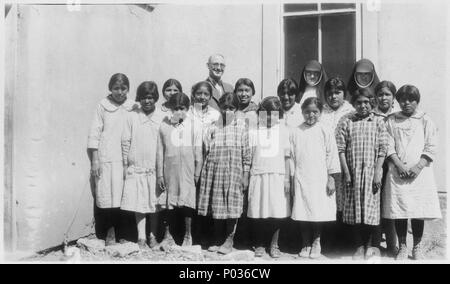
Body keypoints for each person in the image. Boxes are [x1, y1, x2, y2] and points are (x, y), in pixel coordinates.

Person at [382, 85, 441, 260]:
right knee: (400, 210)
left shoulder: (425, 120)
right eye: (403, 99)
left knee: (417, 211)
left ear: (417, 101)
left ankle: (417, 246)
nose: (407, 103)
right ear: (398, 101)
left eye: (411, 99)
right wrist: (399, 165)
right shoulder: (391, 121)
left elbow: (431, 146)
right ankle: (402, 246)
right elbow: (388, 145)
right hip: (397, 172)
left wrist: (418, 167)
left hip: (420, 174)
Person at [336, 88, 388, 260]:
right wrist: (347, 172)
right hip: (353, 174)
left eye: (366, 102)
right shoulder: (347, 121)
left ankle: (370, 246)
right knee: (355, 210)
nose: (363, 105)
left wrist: (377, 172)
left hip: (372, 173)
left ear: (372, 102)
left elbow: (382, 149)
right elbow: (341, 149)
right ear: (354, 104)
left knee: (371, 211)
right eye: (359, 102)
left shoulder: (378, 122)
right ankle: (358, 246)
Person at [197, 92, 251, 255]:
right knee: (217, 205)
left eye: (231, 108)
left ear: (236, 109)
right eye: (224, 107)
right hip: (215, 171)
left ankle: (229, 239)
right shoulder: (213, 126)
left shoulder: (241, 126)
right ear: (220, 107)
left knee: (232, 205)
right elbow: (206, 150)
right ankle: (218, 238)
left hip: (233, 172)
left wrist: (245, 174)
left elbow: (246, 154)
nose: (227, 111)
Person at [88, 73, 137, 245]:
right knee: (109, 195)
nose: (119, 92)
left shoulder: (133, 106)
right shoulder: (103, 105)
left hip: (126, 157)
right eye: (116, 88)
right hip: (107, 157)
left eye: (123, 88)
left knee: (125, 196)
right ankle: (110, 232)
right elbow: (94, 132)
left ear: (128, 89)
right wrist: (95, 159)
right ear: (110, 88)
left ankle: (124, 232)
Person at [290, 97, 340, 259]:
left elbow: (332, 155)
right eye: (307, 112)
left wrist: (331, 178)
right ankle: (305, 242)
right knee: (302, 209)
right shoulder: (296, 131)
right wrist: (291, 178)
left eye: (314, 112)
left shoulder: (325, 130)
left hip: (320, 177)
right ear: (302, 112)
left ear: (320, 113)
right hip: (301, 176)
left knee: (318, 211)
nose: (311, 115)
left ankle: (317, 241)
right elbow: (291, 157)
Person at [121, 81, 164, 249]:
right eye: (144, 98)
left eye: (151, 98)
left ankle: (152, 235)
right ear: (139, 98)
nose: (147, 101)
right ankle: (141, 237)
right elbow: (126, 141)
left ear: (155, 99)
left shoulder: (161, 116)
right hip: (137, 166)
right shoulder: (132, 116)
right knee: (139, 203)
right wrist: (126, 164)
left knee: (154, 203)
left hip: (155, 167)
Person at [247, 96, 292, 258]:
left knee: (276, 211)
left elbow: (287, 156)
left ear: (278, 114)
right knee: (259, 210)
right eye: (266, 114)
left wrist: (287, 179)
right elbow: (250, 155)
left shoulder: (283, 130)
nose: (270, 117)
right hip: (258, 175)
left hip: (277, 176)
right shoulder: (254, 130)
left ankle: (274, 244)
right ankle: (259, 243)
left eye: (274, 114)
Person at [157, 93, 203, 248]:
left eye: (182, 108)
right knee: (170, 202)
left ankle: (188, 235)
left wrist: (197, 171)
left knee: (187, 202)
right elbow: (160, 151)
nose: (179, 112)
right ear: (170, 109)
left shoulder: (194, 125)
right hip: (170, 170)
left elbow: (198, 151)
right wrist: (160, 174)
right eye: (175, 109)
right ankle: (168, 234)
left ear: (188, 108)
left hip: (188, 170)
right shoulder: (165, 126)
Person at [372, 80, 400, 257]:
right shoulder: (372, 116)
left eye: (387, 94)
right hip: (375, 167)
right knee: (375, 204)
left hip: (393, 168)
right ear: (376, 97)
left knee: (391, 206)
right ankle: (374, 244)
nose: (383, 98)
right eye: (380, 94)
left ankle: (393, 244)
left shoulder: (398, 117)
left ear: (393, 98)